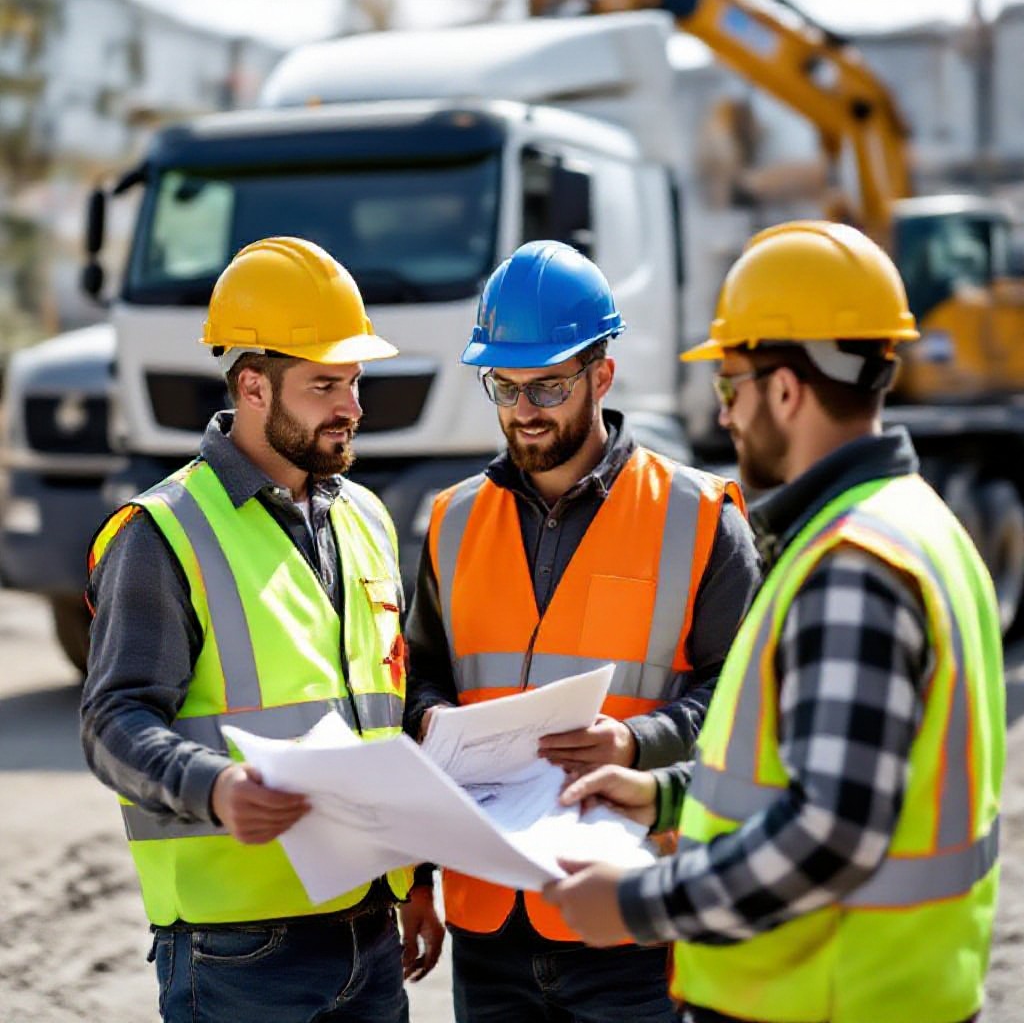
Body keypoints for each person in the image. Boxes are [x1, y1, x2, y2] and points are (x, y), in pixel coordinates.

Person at [544, 221, 1006, 1023]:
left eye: (730, 387)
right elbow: (807, 776)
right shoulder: (915, 524)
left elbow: (831, 831)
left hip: (829, 997)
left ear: (785, 390)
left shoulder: (854, 562)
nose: (723, 416)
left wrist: (638, 904)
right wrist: (661, 798)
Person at [81, 237, 443, 1023]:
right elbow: (112, 723)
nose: (353, 407)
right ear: (252, 386)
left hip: (372, 932)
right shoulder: (161, 533)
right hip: (238, 951)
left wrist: (415, 880)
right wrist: (213, 786)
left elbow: (383, 712)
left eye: (353, 381)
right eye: (325, 385)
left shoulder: (367, 518)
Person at [404, 239, 760, 1021]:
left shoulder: (697, 518)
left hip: (633, 918)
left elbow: (745, 704)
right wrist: (418, 869)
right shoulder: (454, 521)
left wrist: (637, 743)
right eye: (504, 385)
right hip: (490, 920)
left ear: (602, 373)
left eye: (549, 386)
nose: (524, 411)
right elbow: (417, 673)